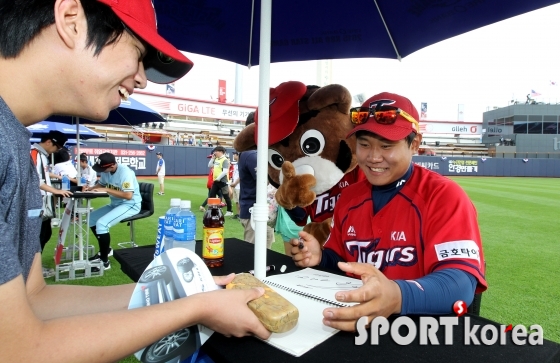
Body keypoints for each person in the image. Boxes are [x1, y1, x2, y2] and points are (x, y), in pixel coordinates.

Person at [0, 1, 270, 361]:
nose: (141, 78)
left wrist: (187, 295)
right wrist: (197, 309)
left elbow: (37, 298)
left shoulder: (13, 137)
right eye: (138, 54)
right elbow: (16, 351)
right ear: (71, 20)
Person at [291, 92, 487, 332]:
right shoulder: (349, 198)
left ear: (414, 144)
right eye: (364, 145)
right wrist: (320, 257)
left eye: (386, 145)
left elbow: (460, 284)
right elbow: (341, 262)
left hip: (420, 334)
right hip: (355, 329)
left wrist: (397, 296)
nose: (374, 157)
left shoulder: (444, 196)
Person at [29, 131, 73, 278]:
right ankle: (32, 270)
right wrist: (56, 191)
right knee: (37, 238)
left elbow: (44, 176)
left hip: (43, 204)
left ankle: (34, 268)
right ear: (49, 142)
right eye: (57, 147)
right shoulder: (34, 154)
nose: (57, 151)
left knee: (45, 234)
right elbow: (35, 180)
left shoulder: (42, 156)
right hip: (34, 204)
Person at [238, 112, 275, 247]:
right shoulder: (252, 153)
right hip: (254, 212)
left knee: (264, 251)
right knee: (253, 254)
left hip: (258, 210)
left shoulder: (252, 152)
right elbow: (266, 180)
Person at [199, 146, 233, 216]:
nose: (215, 153)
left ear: (221, 152)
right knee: (212, 195)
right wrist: (212, 159)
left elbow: (225, 171)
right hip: (216, 181)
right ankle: (213, 209)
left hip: (222, 181)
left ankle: (229, 211)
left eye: (216, 151)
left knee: (226, 196)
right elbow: (210, 165)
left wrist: (218, 178)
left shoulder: (225, 160)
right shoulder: (216, 159)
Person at [229, 151, 241, 219]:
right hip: (235, 185)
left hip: (239, 186)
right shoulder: (236, 164)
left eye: (234, 154)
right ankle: (238, 214)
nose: (233, 156)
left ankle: (241, 215)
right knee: (236, 201)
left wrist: (235, 183)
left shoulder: (241, 164)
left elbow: (241, 176)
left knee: (240, 201)